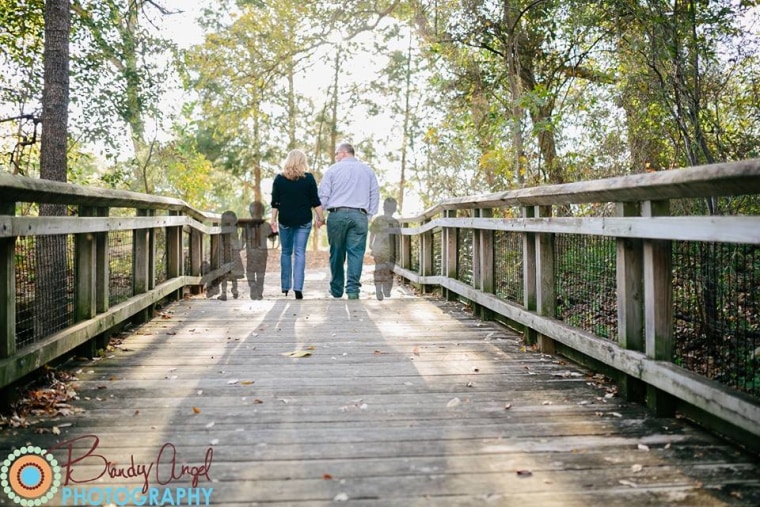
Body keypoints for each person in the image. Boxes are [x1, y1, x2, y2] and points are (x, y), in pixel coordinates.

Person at [318, 143, 380, 300]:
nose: (336, 157)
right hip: (359, 215)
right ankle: (353, 290)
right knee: (356, 253)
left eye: (337, 154)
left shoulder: (332, 170)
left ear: (344, 153)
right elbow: (374, 195)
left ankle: (337, 290)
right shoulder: (368, 171)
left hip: (337, 215)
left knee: (336, 252)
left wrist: (319, 216)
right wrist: (368, 216)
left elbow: (324, 195)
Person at [271, 149, 325, 299]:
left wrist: (273, 220)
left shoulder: (279, 179)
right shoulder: (308, 179)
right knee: (300, 252)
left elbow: (275, 203)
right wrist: (321, 217)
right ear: (303, 162)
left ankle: (285, 286)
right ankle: (298, 288)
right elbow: (315, 201)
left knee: (286, 252)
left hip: (285, 221)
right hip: (303, 221)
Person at [369, 197, 400, 300]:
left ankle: (378, 289)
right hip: (391, 251)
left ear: (383, 207)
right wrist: (398, 251)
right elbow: (397, 238)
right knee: (389, 270)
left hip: (378, 249)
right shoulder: (395, 222)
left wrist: (370, 244)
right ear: (395, 209)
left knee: (378, 269)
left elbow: (372, 232)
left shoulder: (378, 219)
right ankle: (387, 290)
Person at [242, 201, 270, 300]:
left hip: (251, 253)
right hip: (262, 253)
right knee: (261, 273)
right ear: (262, 212)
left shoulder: (246, 226)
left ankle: (252, 284)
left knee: (250, 271)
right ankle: (259, 293)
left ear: (251, 212)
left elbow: (242, 241)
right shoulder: (266, 225)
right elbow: (272, 237)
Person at [219, 210, 244, 300]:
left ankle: (224, 293)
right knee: (234, 274)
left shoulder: (221, 230)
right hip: (234, 253)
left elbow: (220, 244)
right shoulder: (235, 229)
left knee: (224, 273)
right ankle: (235, 291)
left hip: (225, 254)